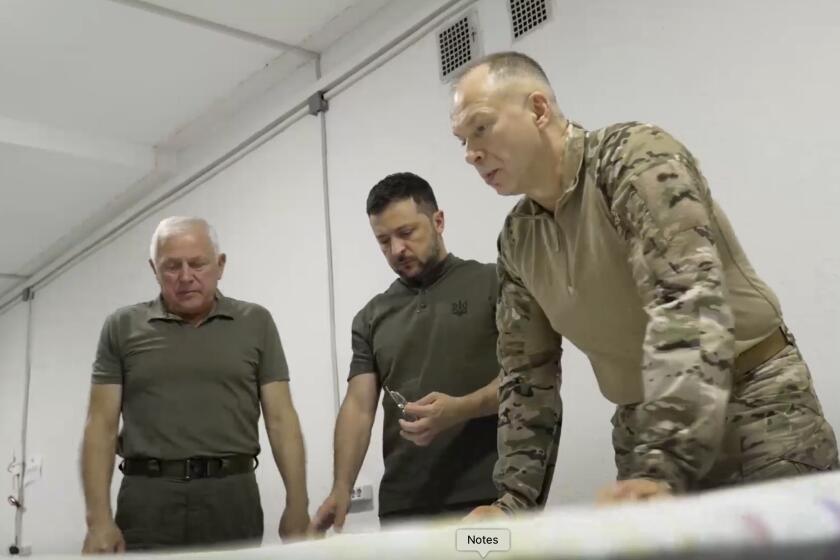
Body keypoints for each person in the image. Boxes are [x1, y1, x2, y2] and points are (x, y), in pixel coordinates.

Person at [448, 51, 839, 517]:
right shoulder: (517, 240)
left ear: (537, 109)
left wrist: (662, 467)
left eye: (480, 128)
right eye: (461, 140)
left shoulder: (635, 157)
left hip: (756, 409)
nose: (470, 153)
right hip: (644, 433)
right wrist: (512, 502)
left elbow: (686, 307)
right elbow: (526, 376)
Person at [80, 216, 309, 552]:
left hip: (232, 495)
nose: (185, 277)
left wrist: (298, 504)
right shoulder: (122, 326)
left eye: (197, 264)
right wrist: (98, 519)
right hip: (148, 498)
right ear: (153, 269)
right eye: (172, 266)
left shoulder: (256, 322)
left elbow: (281, 419)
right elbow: (100, 425)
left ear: (220, 265)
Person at [310, 172, 508, 531]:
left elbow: (531, 380)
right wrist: (341, 487)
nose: (396, 250)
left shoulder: (494, 283)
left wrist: (460, 409)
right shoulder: (371, 317)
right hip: (404, 509)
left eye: (406, 233)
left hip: (488, 501)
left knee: (481, 554)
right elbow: (358, 406)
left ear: (438, 221)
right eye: (383, 241)